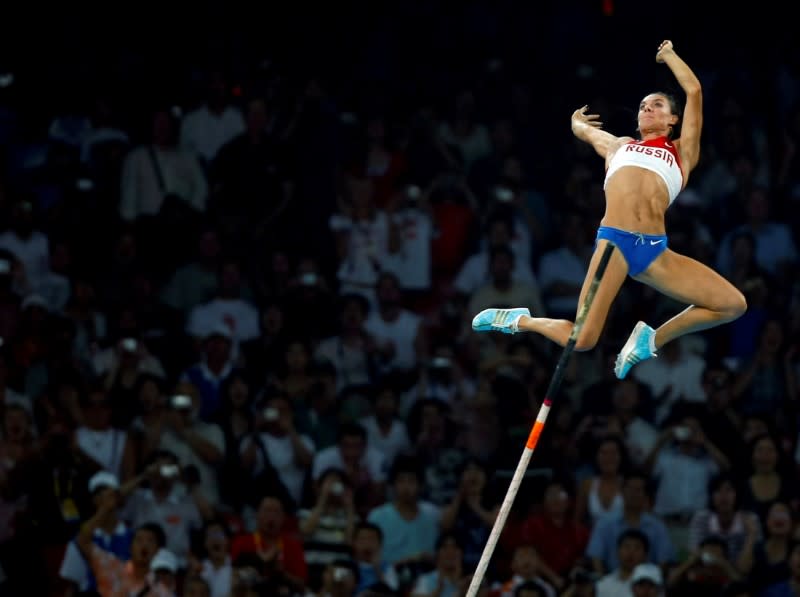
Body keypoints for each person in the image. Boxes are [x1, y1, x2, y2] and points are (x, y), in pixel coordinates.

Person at [471, 40, 746, 380]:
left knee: (732, 304)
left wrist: (669, 56)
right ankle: (519, 320)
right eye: (643, 106)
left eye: (656, 105)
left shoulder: (682, 153)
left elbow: (694, 90)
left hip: (654, 251)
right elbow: (585, 132)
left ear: (673, 119)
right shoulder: (619, 146)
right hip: (614, 242)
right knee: (583, 339)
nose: (646, 109)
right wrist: (576, 123)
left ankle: (651, 338)